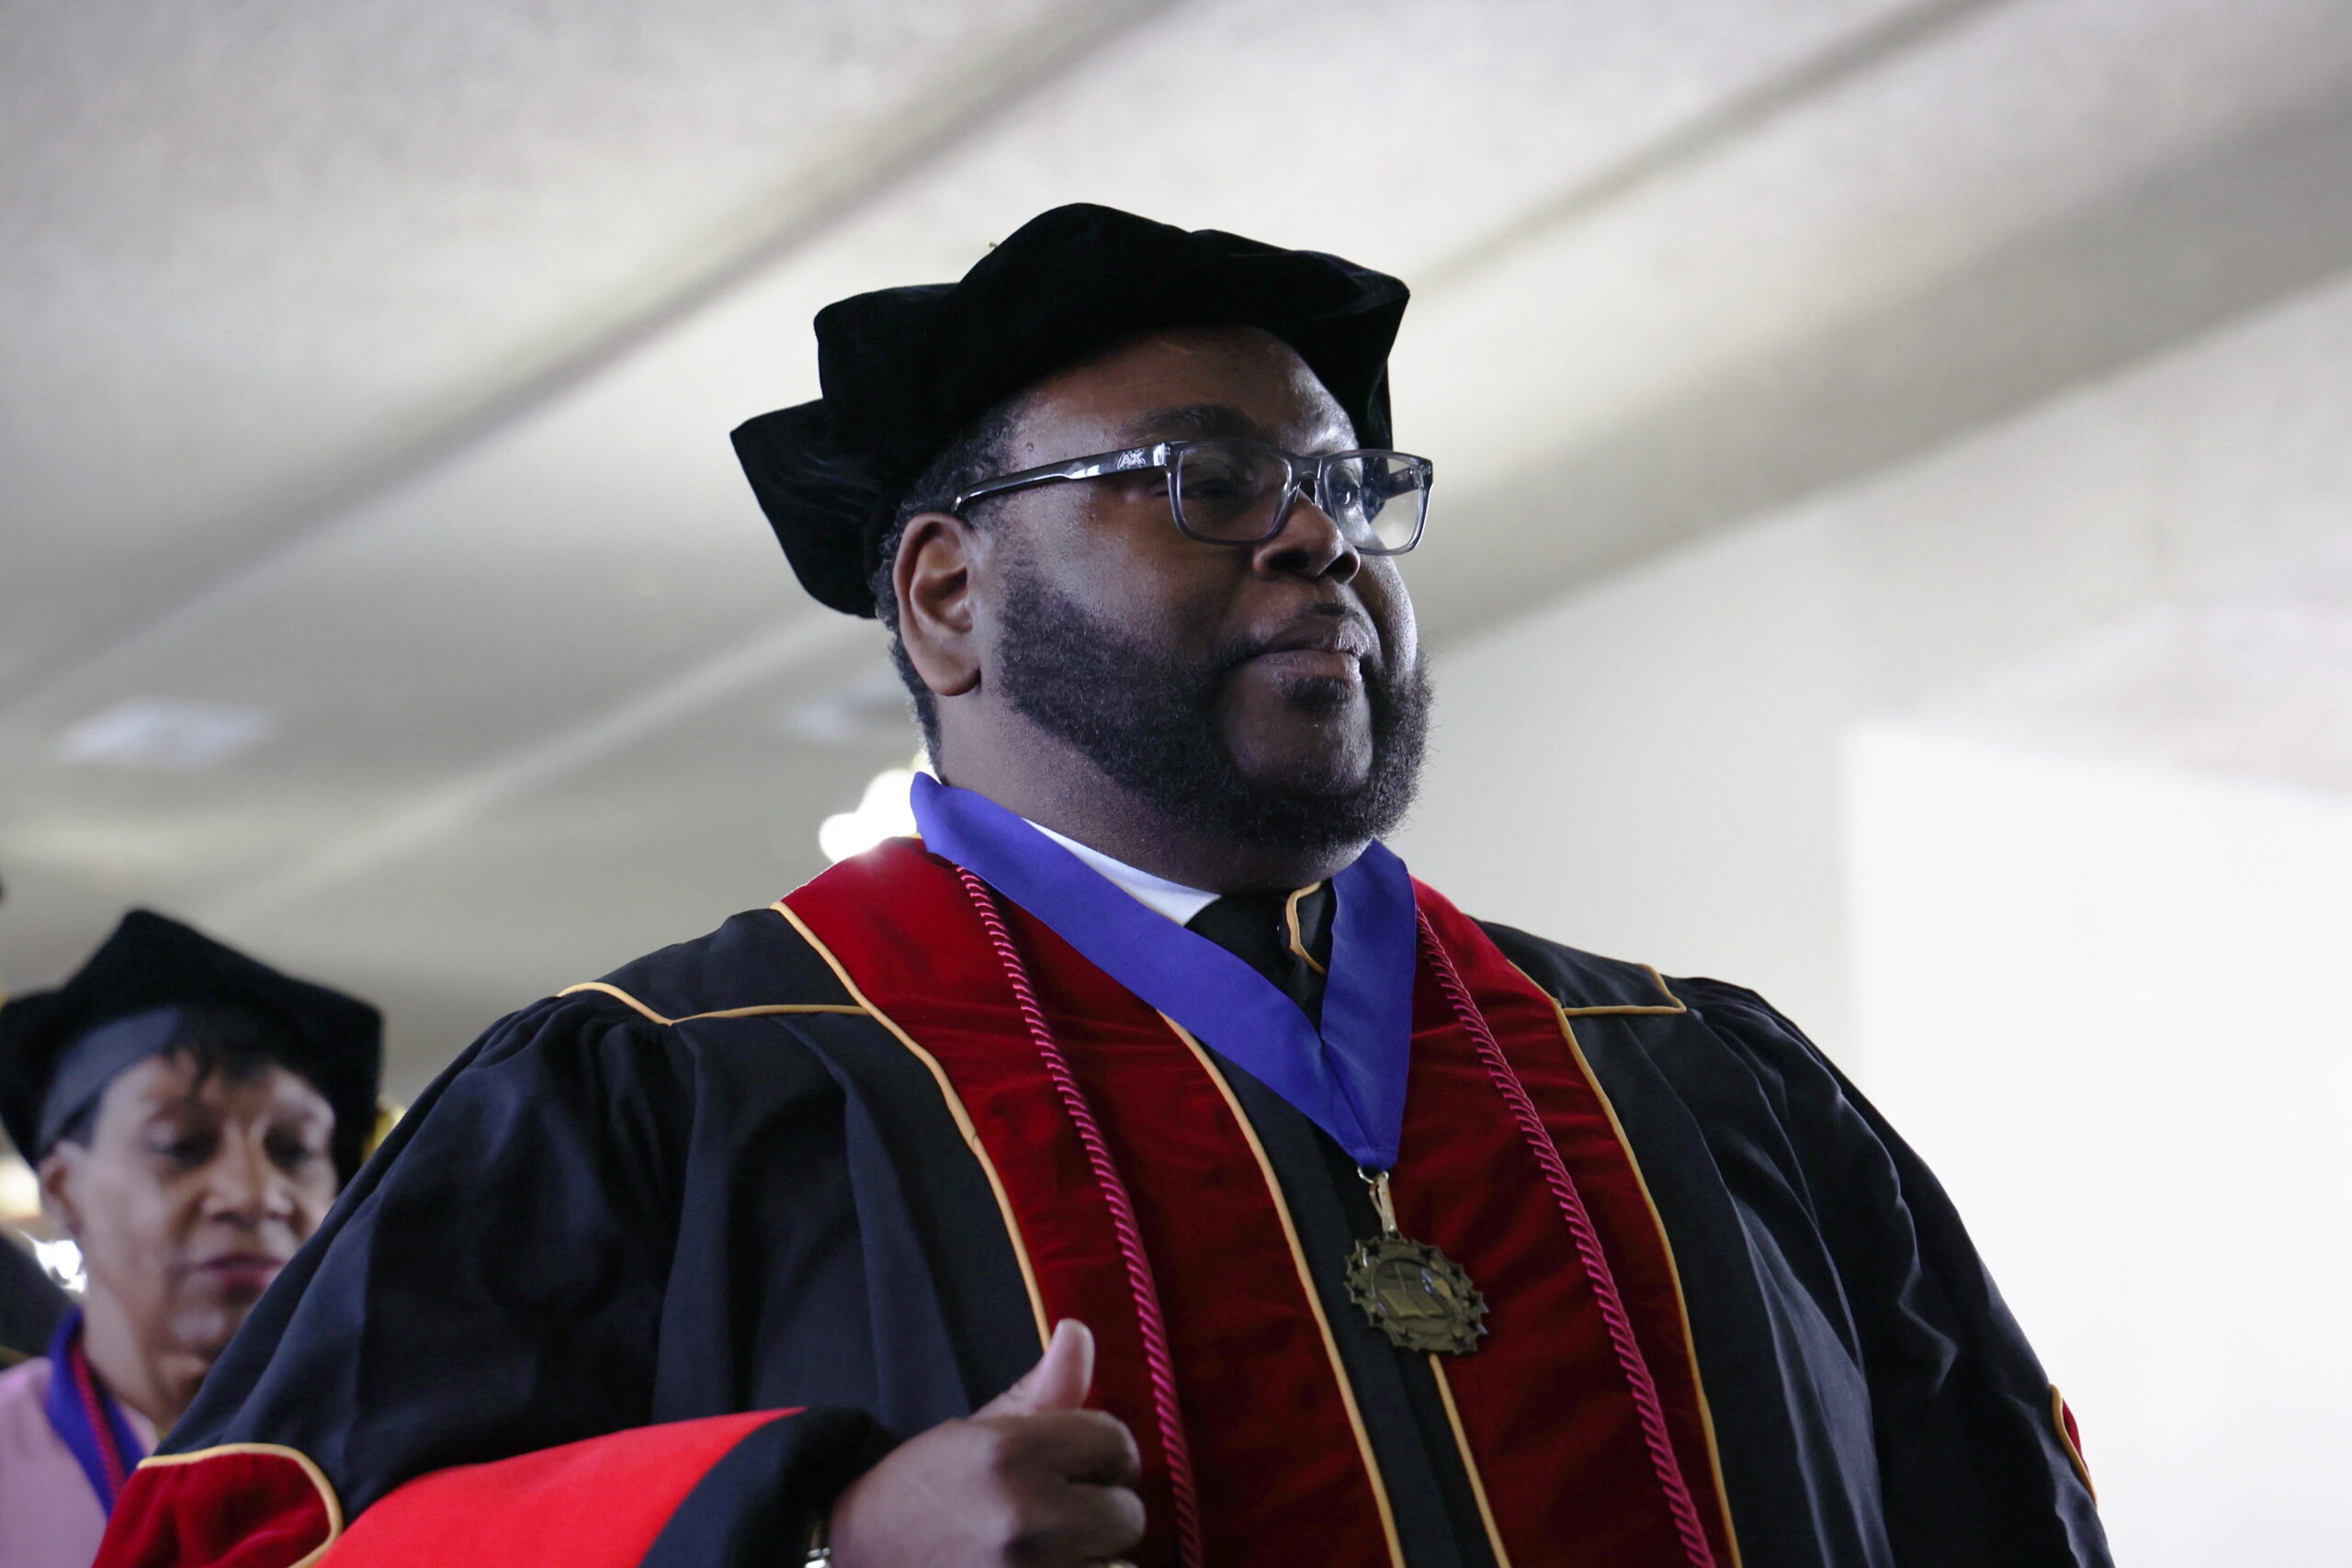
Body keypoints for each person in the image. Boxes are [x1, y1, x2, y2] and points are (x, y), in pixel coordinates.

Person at [95, 206, 2110, 1568]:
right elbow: (244, 1540)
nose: (1320, 542)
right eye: (1206, 479)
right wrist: (805, 1528)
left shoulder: (1700, 1081)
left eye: (1345, 490)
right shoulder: (672, 1092)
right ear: (947, 591)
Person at [0, 911, 381, 1568]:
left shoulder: (401, 1457)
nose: (255, 1192)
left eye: (293, 1149)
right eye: (182, 1144)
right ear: (63, 1189)